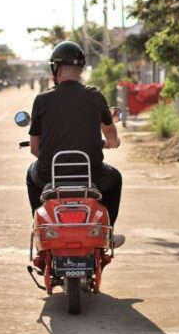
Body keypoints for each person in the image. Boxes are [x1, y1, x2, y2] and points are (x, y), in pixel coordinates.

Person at [25, 41, 125, 249]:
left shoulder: (42, 100)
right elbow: (110, 133)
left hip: (49, 175)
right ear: (80, 69)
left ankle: (41, 231)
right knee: (115, 178)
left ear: (56, 68)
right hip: (92, 174)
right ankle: (107, 233)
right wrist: (112, 143)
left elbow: (35, 149)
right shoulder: (95, 96)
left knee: (30, 174)